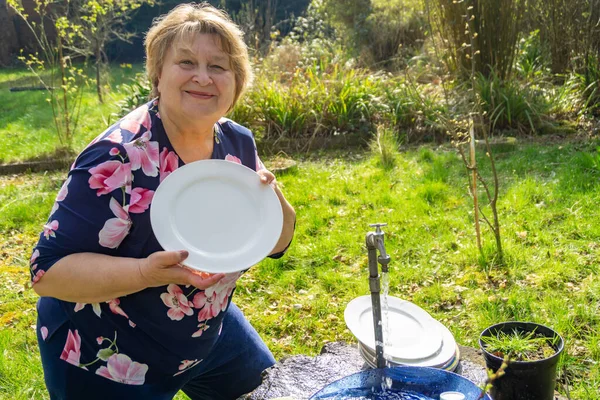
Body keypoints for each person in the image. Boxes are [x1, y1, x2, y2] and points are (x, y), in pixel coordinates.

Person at [29, 3, 296, 399]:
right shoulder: (117, 157)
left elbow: (279, 243)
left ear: (237, 81)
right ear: (157, 74)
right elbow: (48, 273)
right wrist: (145, 273)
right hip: (111, 355)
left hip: (207, 333)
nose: (203, 77)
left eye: (219, 66)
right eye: (186, 62)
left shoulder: (236, 142)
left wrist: (272, 201)